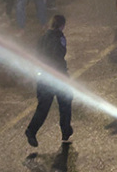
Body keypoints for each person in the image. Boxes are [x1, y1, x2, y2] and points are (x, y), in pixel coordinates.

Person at [25, 14, 73, 147]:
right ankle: (65, 130)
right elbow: (60, 54)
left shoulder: (42, 38)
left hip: (44, 77)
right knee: (65, 102)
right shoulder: (59, 38)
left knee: (43, 107)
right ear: (62, 25)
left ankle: (31, 131)